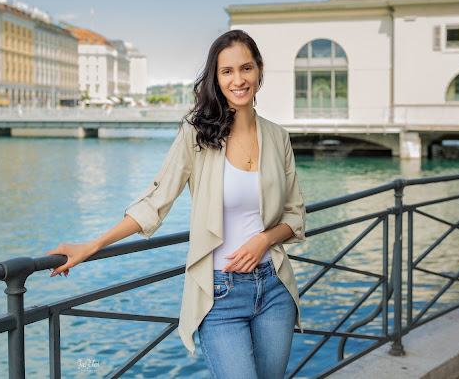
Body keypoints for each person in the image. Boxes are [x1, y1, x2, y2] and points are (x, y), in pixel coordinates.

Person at [46, 29, 306, 379]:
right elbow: (156, 201)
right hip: (220, 295)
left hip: (274, 288)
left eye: (246, 68)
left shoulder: (278, 137)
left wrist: (264, 238)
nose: (238, 79)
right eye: (226, 71)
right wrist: (91, 246)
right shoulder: (197, 134)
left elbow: (295, 214)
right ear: (216, 79)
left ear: (259, 70)